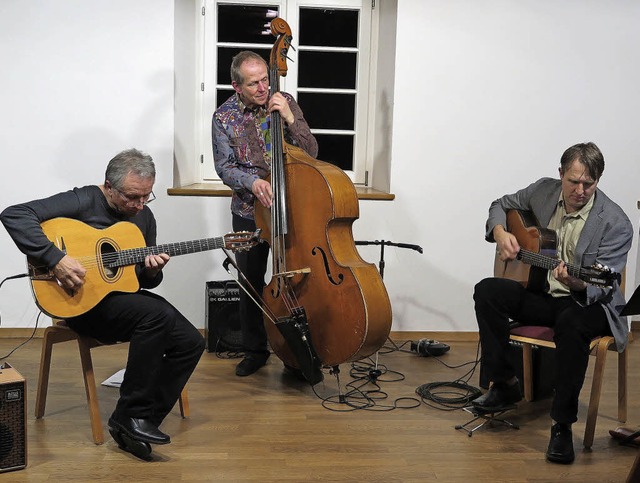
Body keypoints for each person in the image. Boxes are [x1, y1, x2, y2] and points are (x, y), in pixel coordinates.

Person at [0, 148, 205, 460]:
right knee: (158, 316)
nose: (139, 205)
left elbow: (140, 282)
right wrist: (56, 260)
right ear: (108, 186)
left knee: (191, 341)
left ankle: (141, 421)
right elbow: (14, 214)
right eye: (132, 197)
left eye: (146, 197)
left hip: (120, 301)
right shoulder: (83, 199)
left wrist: (152, 271)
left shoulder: (143, 217)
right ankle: (129, 415)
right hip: (81, 303)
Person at [472, 142, 633, 464]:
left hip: (588, 303)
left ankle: (562, 425)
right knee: (487, 291)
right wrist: (502, 233)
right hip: (542, 294)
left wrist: (577, 282)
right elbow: (500, 205)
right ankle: (504, 383)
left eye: (589, 183)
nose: (580, 190)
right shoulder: (543, 191)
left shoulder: (616, 222)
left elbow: (604, 287)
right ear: (560, 174)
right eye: (573, 181)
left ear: (598, 181)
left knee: (572, 324)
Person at [212, 50, 318, 377]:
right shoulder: (223, 117)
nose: (262, 88)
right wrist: (252, 181)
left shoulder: (284, 100)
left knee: (299, 279)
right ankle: (255, 351)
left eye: (265, 79)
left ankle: (301, 352)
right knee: (251, 282)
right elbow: (224, 166)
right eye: (253, 83)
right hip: (248, 212)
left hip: (293, 206)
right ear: (236, 86)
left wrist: (289, 117)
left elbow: (311, 151)